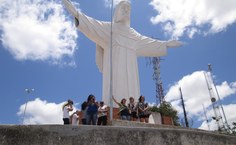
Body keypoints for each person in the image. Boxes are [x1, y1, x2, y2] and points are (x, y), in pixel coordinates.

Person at [62, 0, 182, 106]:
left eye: (128, 8)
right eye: (123, 8)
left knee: (133, 95)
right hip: (115, 70)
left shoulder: (134, 34)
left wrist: (166, 44)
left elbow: (149, 43)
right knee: (114, 93)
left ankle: (133, 109)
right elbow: (93, 25)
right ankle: (113, 109)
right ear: (117, 12)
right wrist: (76, 14)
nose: (126, 10)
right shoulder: (109, 29)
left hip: (131, 72)